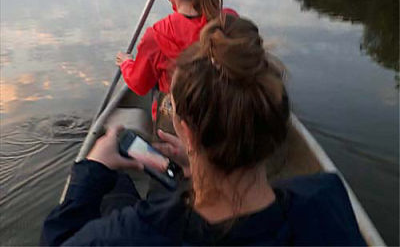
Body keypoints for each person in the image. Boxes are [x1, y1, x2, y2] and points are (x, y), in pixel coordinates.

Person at [41, 15, 366, 246]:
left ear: (188, 133)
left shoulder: (132, 233)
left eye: (171, 108)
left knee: (116, 187)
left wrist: (92, 171)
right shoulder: (326, 198)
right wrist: (195, 167)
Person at [115, 0, 237, 121]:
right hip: (221, 118)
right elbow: (190, 17)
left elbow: (139, 85)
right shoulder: (230, 20)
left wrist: (126, 63)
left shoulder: (158, 35)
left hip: (177, 127)